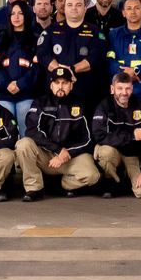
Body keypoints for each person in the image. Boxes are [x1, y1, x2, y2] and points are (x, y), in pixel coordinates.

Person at [15, 66, 103, 200]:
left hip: (71, 156)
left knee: (93, 176)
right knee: (23, 144)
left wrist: (66, 153)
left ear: (71, 85)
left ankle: (61, 185)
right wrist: (57, 150)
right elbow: (32, 131)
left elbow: (89, 139)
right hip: (46, 155)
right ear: (51, 85)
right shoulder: (40, 102)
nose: (60, 86)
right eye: (57, 83)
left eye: (65, 83)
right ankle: (34, 189)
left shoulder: (81, 104)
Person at [92, 72, 141, 199]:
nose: (124, 92)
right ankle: (111, 181)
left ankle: (127, 179)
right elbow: (99, 136)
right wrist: (131, 136)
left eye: (127, 88)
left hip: (133, 155)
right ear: (112, 89)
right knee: (105, 152)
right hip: (113, 151)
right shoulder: (104, 106)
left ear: (132, 89)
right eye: (120, 88)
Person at [41, 0, 104, 110]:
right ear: (64, 8)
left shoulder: (95, 31)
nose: (74, 8)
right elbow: (42, 54)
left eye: (78, 5)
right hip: (57, 90)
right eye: (69, 5)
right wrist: (62, 72)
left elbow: (96, 57)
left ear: (85, 9)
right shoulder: (51, 30)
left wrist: (73, 69)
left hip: (86, 91)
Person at [0, 0, 41, 129]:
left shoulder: (35, 38)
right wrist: (7, 84)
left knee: (26, 125)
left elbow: (37, 68)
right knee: (5, 129)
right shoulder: (1, 38)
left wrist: (20, 84)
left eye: (20, 13)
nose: (16, 17)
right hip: (4, 92)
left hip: (26, 93)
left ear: (26, 15)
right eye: (13, 14)